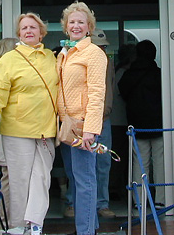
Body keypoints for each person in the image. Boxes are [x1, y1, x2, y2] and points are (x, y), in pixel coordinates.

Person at [0, 14, 58, 235]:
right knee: (20, 182)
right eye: (24, 28)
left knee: (42, 179)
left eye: (33, 27)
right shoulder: (8, 60)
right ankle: (18, 227)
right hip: (17, 130)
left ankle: (34, 225)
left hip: (46, 130)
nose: (29, 31)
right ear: (19, 34)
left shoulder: (52, 58)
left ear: (41, 33)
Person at [57, 1, 107, 235]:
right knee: (75, 179)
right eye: (72, 22)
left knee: (85, 180)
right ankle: (88, 227)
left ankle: (85, 231)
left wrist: (90, 129)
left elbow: (97, 93)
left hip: (83, 126)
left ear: (89, 27)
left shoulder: (94, 53)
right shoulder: (65, 53)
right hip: (67, 126)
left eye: (81, 22)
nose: (76, 26)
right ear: (66, 26)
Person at [64, 29, 117, 219]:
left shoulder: (107, 62)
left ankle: (102, 204)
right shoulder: (73, 57)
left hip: (103, 119)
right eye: (98, 45)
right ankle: (73, 203)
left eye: (104, 47)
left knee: (103, 164)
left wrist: (105, 111)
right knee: (76, 167)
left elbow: (108, 90)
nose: (101, 49)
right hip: (78, 121)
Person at [118, 39, 165, 207]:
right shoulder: (160, 74)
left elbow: (122, 93)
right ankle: (161, 199)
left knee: (139, 162)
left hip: (136, 123)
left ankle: (139, 200)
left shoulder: (129, 75)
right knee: (160, 161)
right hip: (160, 123)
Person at [0, 37, 19, 227]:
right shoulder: (6, 72)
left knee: (8, 177)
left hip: (6, 131)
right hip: (9, 131)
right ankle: (5, 222)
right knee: (9, 178)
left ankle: (5, 221)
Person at [111, 44, 136, 198]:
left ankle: (116, 186)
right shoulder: (123, 74)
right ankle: (114, 188)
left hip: (117, 120)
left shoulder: (116, 71)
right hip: (119, 120)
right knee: (119, 156)